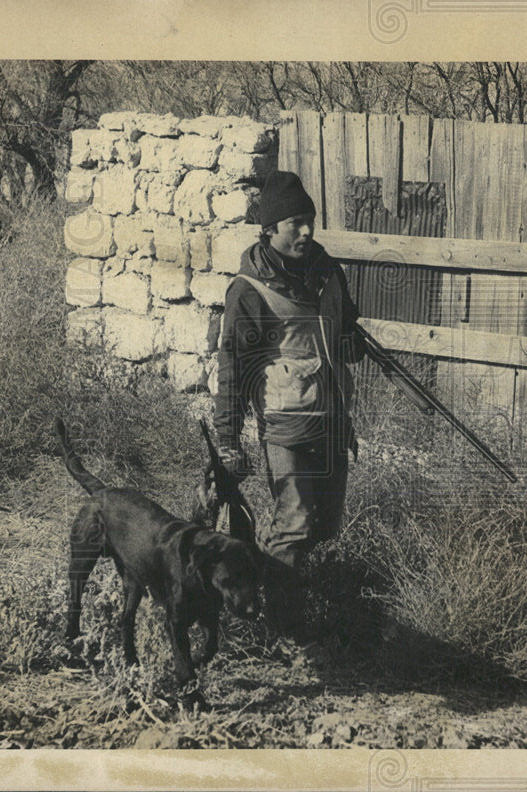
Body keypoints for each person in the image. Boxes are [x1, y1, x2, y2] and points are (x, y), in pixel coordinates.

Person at [213, 170, 364, 643]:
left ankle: (264, 585)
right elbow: (233, 366)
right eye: (295, 223)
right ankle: (282, 632)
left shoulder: (327, 272)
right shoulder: (249, 290)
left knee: (323, 527)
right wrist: (226, 437)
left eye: (310, 221)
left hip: (333, 421)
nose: (307, 232)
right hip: (284, 426)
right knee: (295, 525)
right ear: (270, 229)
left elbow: (345, 332)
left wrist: (352, 340)